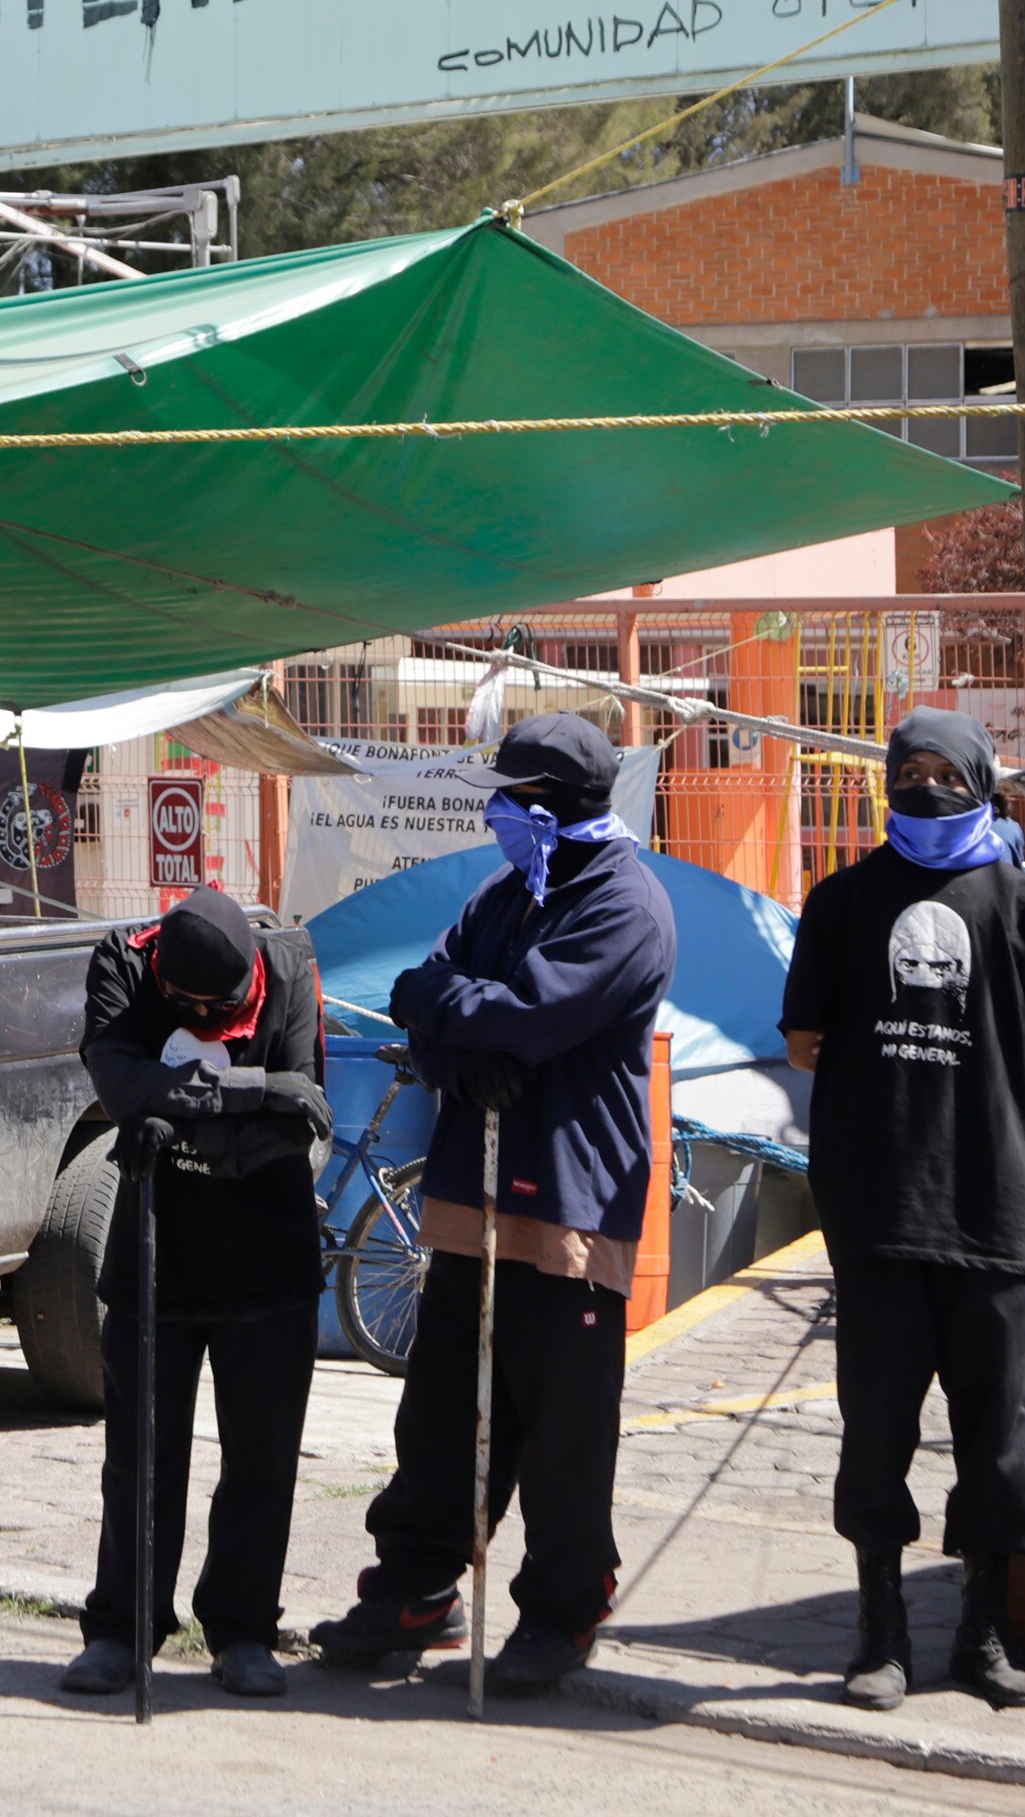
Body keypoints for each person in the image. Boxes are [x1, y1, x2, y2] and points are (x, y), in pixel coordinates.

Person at [308, 713, 674, 1695]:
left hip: (567, 1197)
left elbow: (535, 1016)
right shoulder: (502, 893)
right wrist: (453, 1038)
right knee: (439, 1417)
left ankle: (561, 1607)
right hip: (468, 1193)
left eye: (509, 797)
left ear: (549, 806)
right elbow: (417, 994)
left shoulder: (624, 904)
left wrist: (453, 1017)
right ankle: (414, 1589)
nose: (496, 811)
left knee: (559, 1426)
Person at [780, 707, 1025, 1714]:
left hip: (990, 1211)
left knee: (993, 1437)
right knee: (875, 1437)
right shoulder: (840, 901)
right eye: (905, 769)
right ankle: (880, 1637)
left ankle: (983, 1635)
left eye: (945, 771)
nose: (923, 785)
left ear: (982, 779)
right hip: (875, 1211)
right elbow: (804, 1040)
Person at [58, 886, 331, 1702]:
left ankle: (243, 1629)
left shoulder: (290, 965)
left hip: (267, 1255)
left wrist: (172, 1110)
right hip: (156, 1250)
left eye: (225, 1009)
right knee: (140, 1455)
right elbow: (117, 1081)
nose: (210, 1017)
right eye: (189, 1009)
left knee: (262, 1457)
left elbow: (301, 1117)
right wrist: (249, 1092)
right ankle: (123, 1627)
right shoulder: (122, 961)